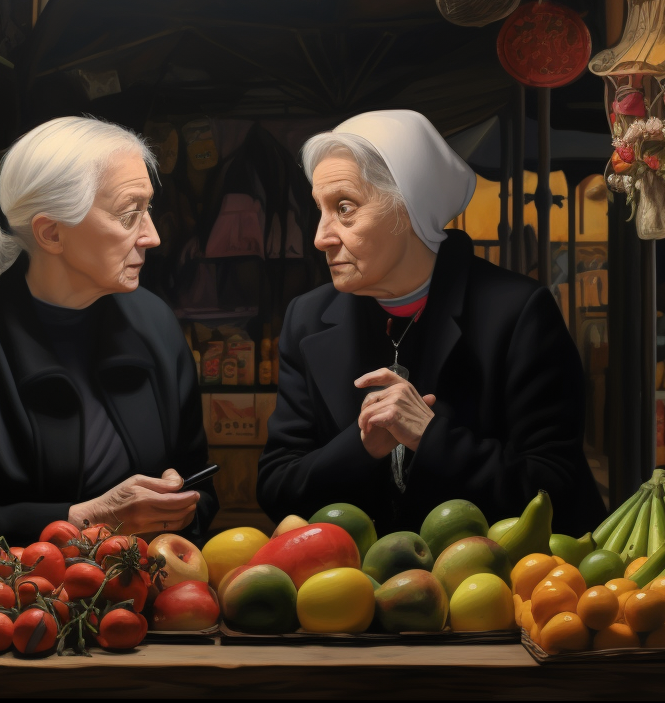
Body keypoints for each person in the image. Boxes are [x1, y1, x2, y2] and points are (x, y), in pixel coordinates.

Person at [0, 117, 216, 552]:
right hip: (13, 611)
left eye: (147, 210)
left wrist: (180, 505)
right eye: (130, 215)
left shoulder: (155, 326)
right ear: (51, 232)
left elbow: (200, 482)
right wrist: (83, 520)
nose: (152, 236)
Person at [257, 109, 604, 537]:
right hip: (355, 589)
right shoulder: (307, 319)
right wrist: (362, 447)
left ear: (409, 206)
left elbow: (555, 489)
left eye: (344, 208)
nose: (320, 236)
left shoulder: (518, 312)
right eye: (321, 210)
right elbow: (275, 489)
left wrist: (431, 438)